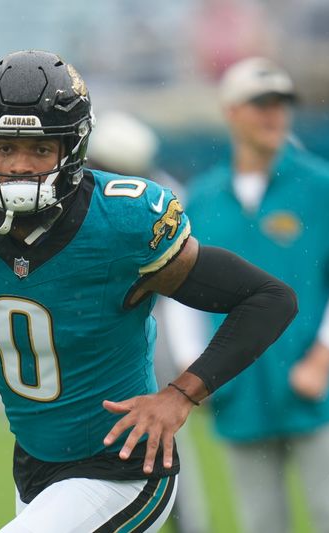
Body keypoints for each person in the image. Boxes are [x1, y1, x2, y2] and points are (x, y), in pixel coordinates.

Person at [0, 50, 297, 532]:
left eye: (40, 148)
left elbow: (268, 298)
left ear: (71, 149)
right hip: (34, 467)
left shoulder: (122, 224)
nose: (20, 166)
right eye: (6, 148)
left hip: (123, 470)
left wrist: (180, 395)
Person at [164, 57, 329, 533]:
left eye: (281, 104)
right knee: (260, 523)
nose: (273, 115)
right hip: (237, 390)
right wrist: (194, 367)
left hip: (312, 385)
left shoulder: (327, 187)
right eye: (260, 104)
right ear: (230, 111)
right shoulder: (199, 198)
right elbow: (175, 292)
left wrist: (326, 357)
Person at [88, 111, 210, 533]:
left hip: (142, 326)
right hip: (98, 329)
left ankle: (185, 521)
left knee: (160, 436)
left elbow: (179, 290)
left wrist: (187, 353)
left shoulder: (161, 201)